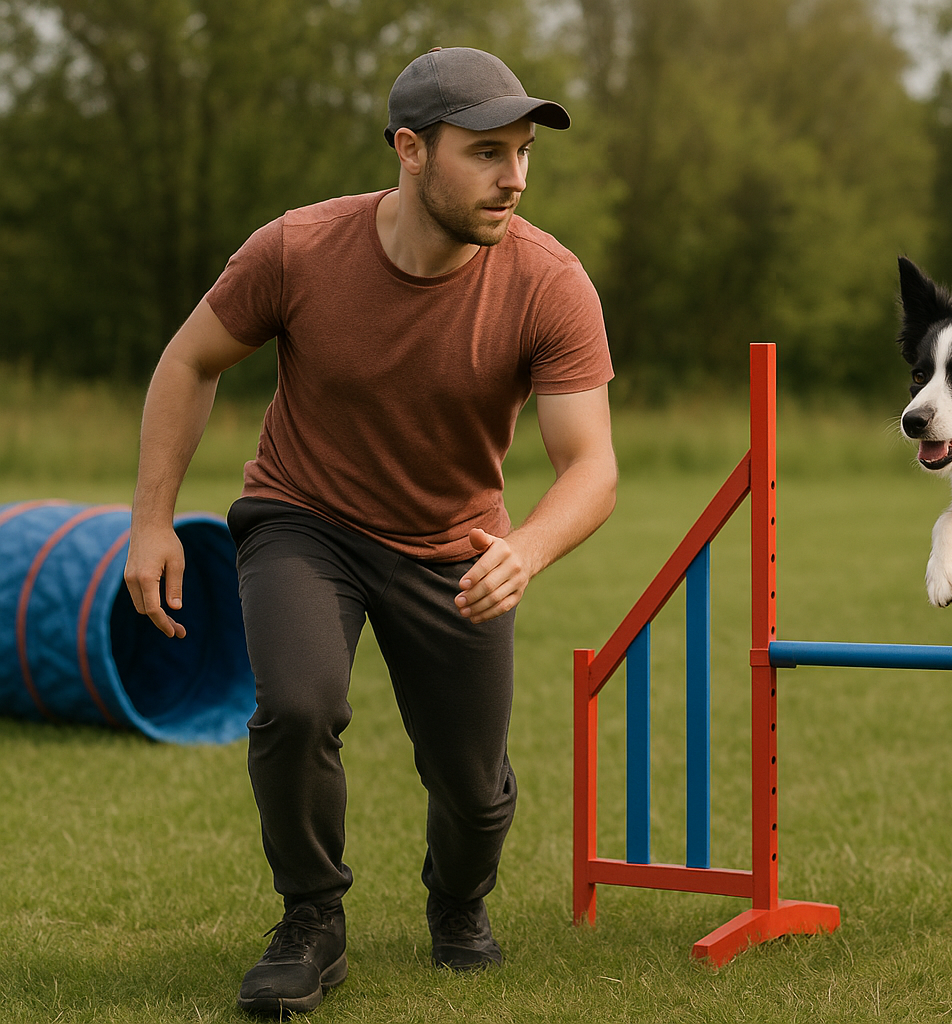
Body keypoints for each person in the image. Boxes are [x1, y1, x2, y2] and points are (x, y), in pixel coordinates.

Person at [123, 47, 617, 1017]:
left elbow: (589, 465)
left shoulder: (548, 282)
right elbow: (188, 362)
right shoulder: (298, 252)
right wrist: (150, 522)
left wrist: (526, 549)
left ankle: (459, 900)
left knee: (472, 787)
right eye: (486, 153)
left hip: (457, 545)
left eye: (523, 153)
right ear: (410, 150)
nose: (514, 177)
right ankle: (311, 920)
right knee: (300, 705)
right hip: (307, 520)